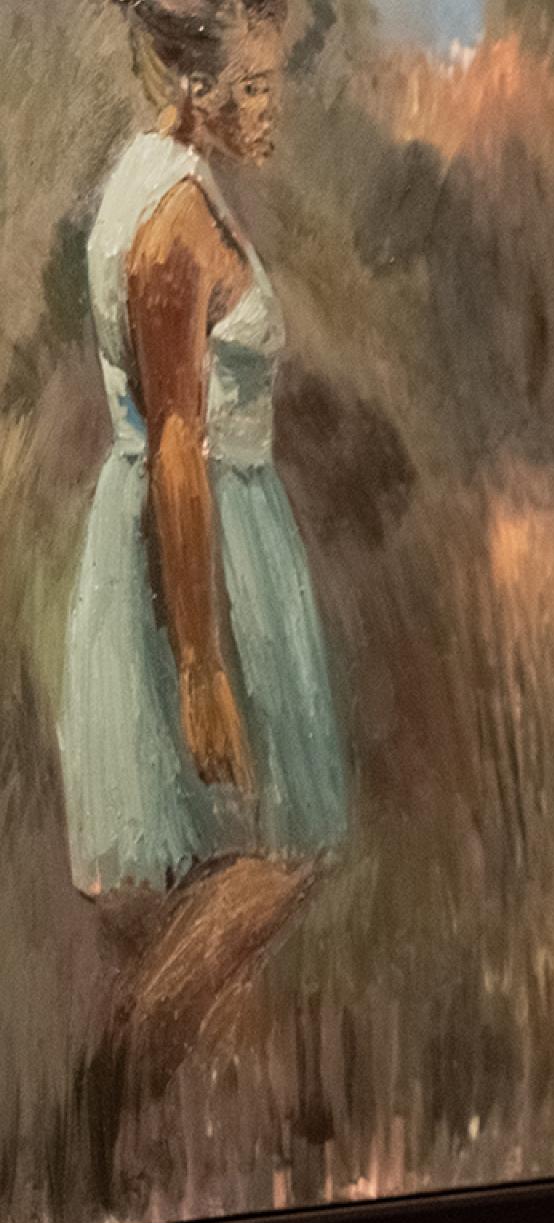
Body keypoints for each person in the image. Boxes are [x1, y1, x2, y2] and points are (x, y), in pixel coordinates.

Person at [66, 0, 347, 1097]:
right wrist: (201, 669)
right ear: (198, 91)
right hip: (200, 550)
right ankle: (117, 1090)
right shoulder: (171, 219)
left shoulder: (163, 181)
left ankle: (179, 1136)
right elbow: (179, 438)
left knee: (214, 874)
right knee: (275, 853)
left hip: (213, 534)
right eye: (258, 89)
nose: (273, 112)